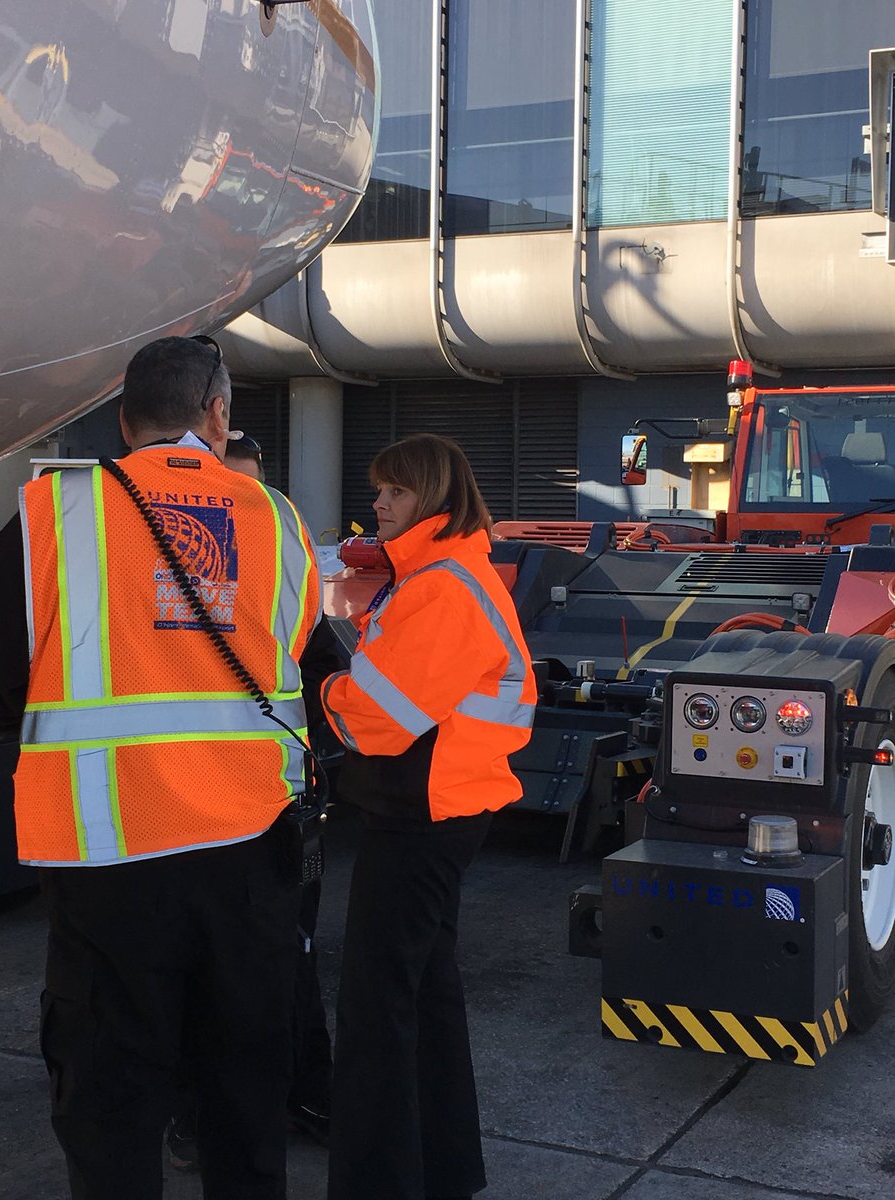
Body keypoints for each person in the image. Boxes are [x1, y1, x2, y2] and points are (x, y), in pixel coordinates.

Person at [0, 336, 327, 1200]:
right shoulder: (278, 522)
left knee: (111, 1098)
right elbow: (311, 673)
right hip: (250, 852)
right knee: (245, 1091)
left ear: (122, 418)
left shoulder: (50, 511)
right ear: (218, 416)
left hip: (107, 855)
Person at [321, 433, 537, 1200]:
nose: (379, 503)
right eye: (379, 490)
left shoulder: (441, 585)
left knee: (378, 1004)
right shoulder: (448, 574)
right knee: (424, 992)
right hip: (447, 810)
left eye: (397, 492)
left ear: (435, 500)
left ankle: (379, 1181)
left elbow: (379, 719)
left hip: (422, 817)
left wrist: (322, 690)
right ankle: (442, 1168)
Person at [165, 432, 334, 1173]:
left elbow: (324, 676)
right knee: (200, 975)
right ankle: (196, 1117)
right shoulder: (163, 583)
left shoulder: (276, 570)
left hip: (273, 814)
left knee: (287, 960)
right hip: (184, 815)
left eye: (249, 492)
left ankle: (300, 1090)